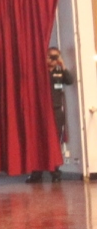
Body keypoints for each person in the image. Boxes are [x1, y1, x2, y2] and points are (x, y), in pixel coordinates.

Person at [47, 47, 72, 184]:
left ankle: (55, 171)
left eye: (56, 57)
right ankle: (36, 172)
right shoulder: (40, 70)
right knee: (39, 140)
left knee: (55, 141)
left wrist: (63, 65)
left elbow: (70, 81)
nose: (53, 59)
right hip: (43, 111)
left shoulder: (59, 71)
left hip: (56, 110)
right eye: (51, 56)